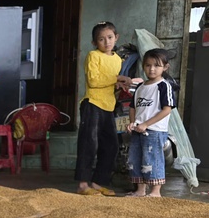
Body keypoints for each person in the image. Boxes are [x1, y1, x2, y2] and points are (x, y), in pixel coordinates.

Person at [75, 21, 133, 196]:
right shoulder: (93, 56)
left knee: (111, 146)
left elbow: (109, 82)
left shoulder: (117, 59)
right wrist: (117, 78)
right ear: (94, 43)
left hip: (108, 106)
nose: (106, 42)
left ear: (116, 38)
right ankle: (83, 184)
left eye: (109, 37)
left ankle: (98, 183)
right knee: (89, 144)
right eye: (101, 39)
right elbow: (94, 81)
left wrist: (120, 85)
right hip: (92, 104)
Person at [125, 48, 176, 197]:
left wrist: (146, 124)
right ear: (143, 66)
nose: (152, 69)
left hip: (155, 131)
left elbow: (167, 110)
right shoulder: (140, 87)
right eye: (148, 65)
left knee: (152, 159)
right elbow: (133, 107)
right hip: (137, 130)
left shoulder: (164, 86)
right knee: (135, 159)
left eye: (156, 65)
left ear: (165, 67)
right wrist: (132, 122)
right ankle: (140, 190)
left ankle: (155, 191)